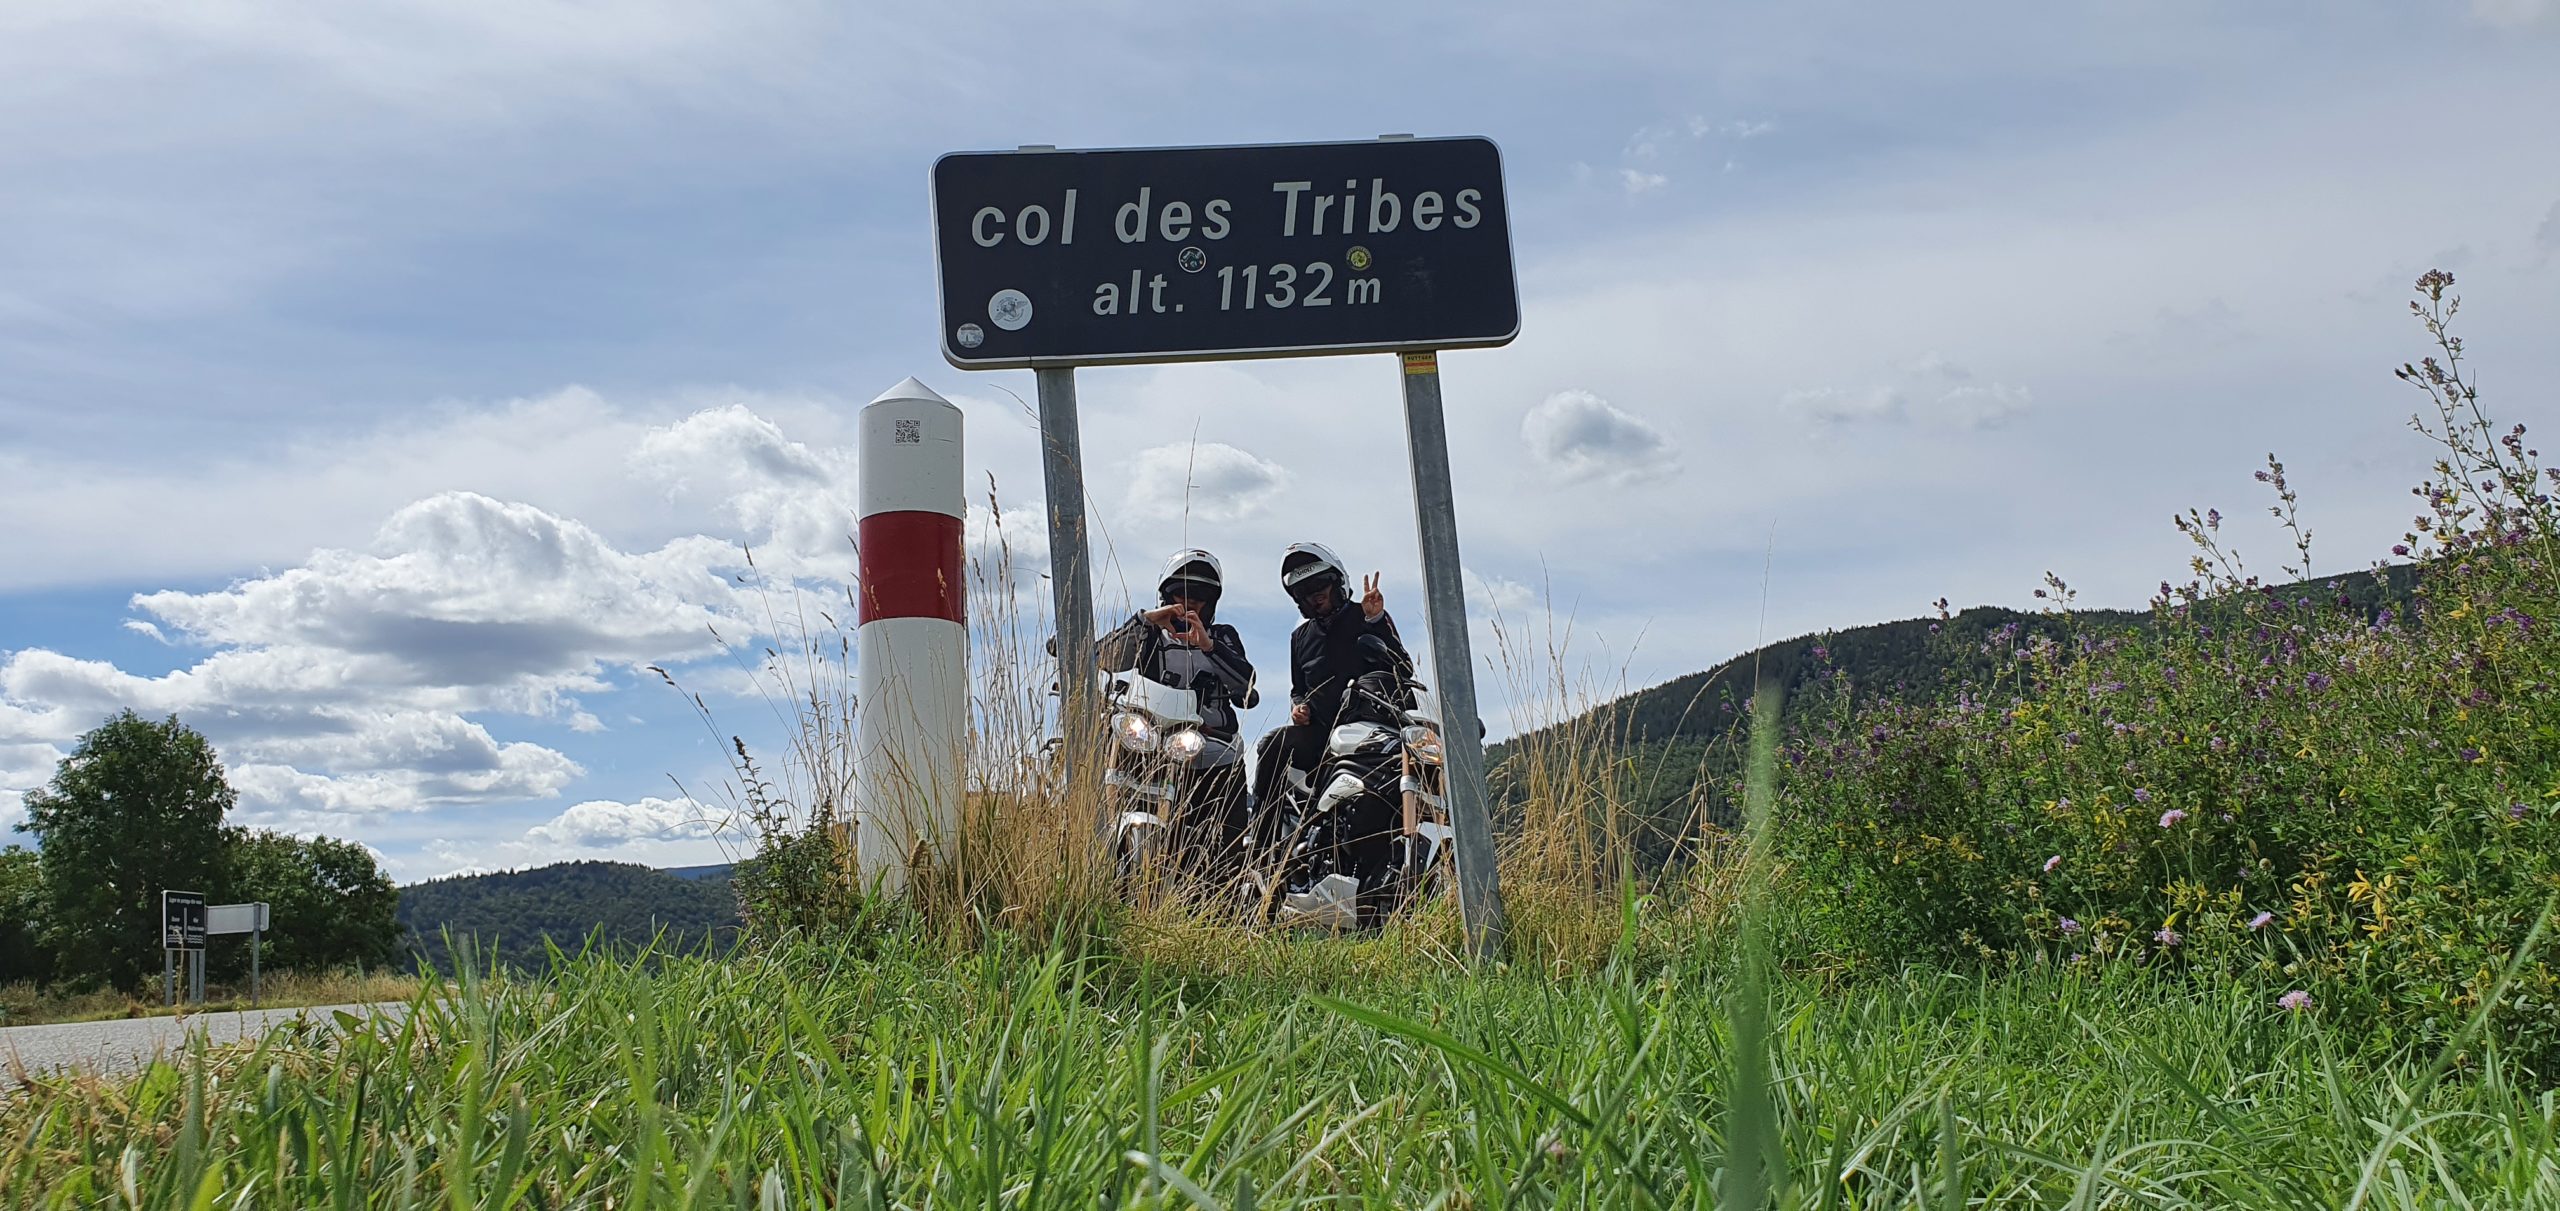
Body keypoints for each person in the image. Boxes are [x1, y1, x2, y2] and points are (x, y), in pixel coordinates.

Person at [1094, 549, 1256, 862]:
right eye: (1180, 593)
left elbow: (1247, 686)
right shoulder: (1149, 635)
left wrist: (1209, 646)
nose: (1189, 601)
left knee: (1226, 847)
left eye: (1200, 596)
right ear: (1165, 596)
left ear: (1211, 603)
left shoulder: (1223, 636)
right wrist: (1144, 621)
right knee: (1109, 749)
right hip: (1149, 744)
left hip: (1209, 745)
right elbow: (1100, 659)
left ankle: (1226, 877)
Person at [1249, 542, 1411, 808]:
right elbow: (1298, 689)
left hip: (1373, 728)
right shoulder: (1299, 637)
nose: (1314, 596)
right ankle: (1261, 826)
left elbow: (1402, 667)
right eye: (1303, 592)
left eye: (1320, 585)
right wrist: (1298, 707)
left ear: (1337, 583)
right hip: (1321, 733)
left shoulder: (1366, 614)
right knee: (1272, 743)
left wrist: (1376, 619)